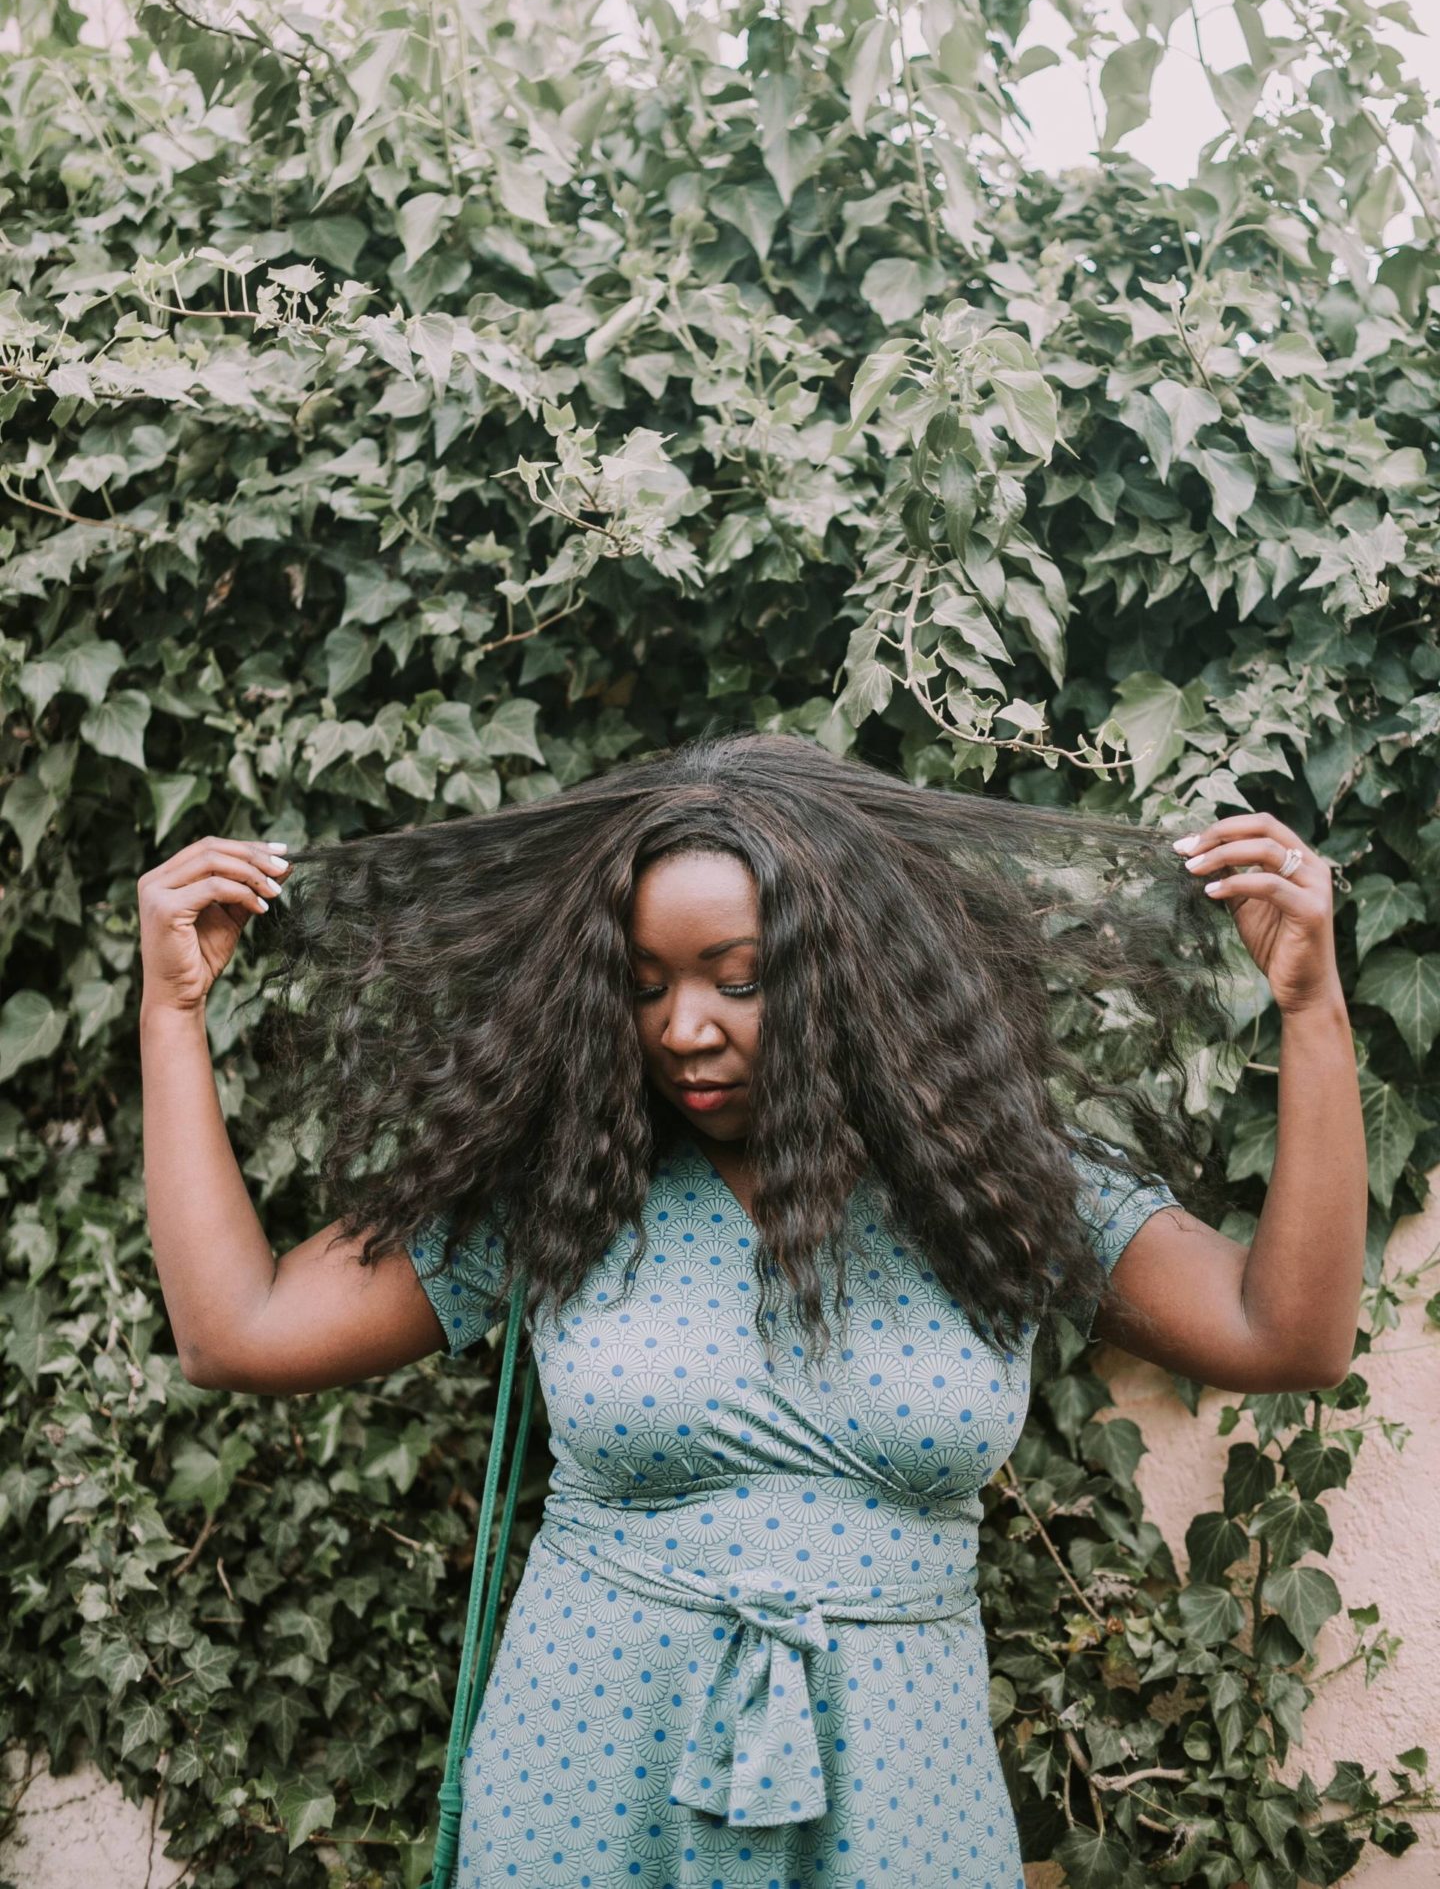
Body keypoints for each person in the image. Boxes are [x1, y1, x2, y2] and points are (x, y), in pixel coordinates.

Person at [138, 731, 1366, 1887]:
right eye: (645, 983)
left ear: (848, 977)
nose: (684, 1028)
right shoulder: (567, 1185)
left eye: (740, 979)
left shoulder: (999, 1184)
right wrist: (173, 1012)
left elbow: (1289, 1337)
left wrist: (1310, 1010)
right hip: (586, 1781)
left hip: (898, 1787)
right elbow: (235, 1332)